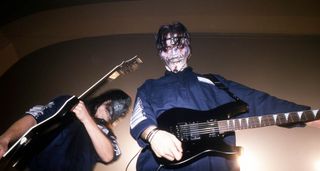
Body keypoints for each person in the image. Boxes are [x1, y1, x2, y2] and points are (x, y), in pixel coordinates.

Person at [129, 22, 319, 171]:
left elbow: (256, 100)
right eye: (167, 47)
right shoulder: (150, 87)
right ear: (160, 53)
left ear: (189, 48)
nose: (174, 52)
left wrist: (307, 115)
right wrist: (154, 135)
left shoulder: (214, 82)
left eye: (179, 45)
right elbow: (139, 116)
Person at [0, 89, 131, 171]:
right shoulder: (70, 104)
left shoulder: (107, 135)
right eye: (108, 108)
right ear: (103, 100)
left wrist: (87, 119)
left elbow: (108, 155)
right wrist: (5, 139)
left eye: (113, 114)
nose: (107, 115)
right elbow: (35, 118)